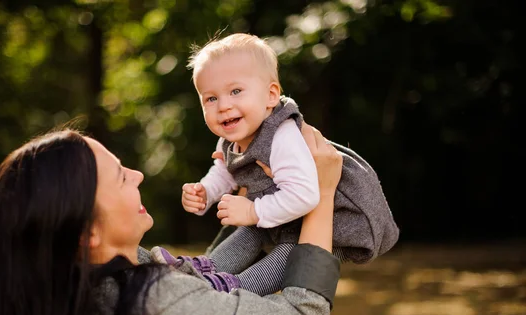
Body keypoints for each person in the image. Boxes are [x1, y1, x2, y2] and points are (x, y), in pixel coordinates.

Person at [0, 123, 344, 315]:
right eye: (121, 178)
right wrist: (322, 196)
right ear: (85, 234)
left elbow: (206, 281)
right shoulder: (155, 313)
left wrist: (261, 206)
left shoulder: (106, 285)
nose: (138, 175)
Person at [152, 33, 399, 296]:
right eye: (211, 99)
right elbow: (226, 171)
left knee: (290, 248)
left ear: (271, 95)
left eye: (235, 91)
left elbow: (305, 195)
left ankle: (236, 290)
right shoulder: (231, 138)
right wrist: (205, 191)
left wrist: (252, 211)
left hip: (338, 215)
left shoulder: (282, 137)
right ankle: (205, 270)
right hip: (290, 209)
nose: (223, 106)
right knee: (253, 230)